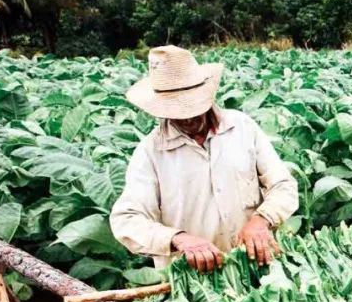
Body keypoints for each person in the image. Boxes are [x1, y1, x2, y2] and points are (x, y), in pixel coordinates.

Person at [110, 45, 298, 273]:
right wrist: (178, 239)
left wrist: (262, 220)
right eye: (175, 111)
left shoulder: (242, 128)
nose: (186, 118)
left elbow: (283, 185)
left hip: (257, 266)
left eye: (191, 108)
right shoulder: (150, 151)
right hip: (195, 283)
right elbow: (126, 220)